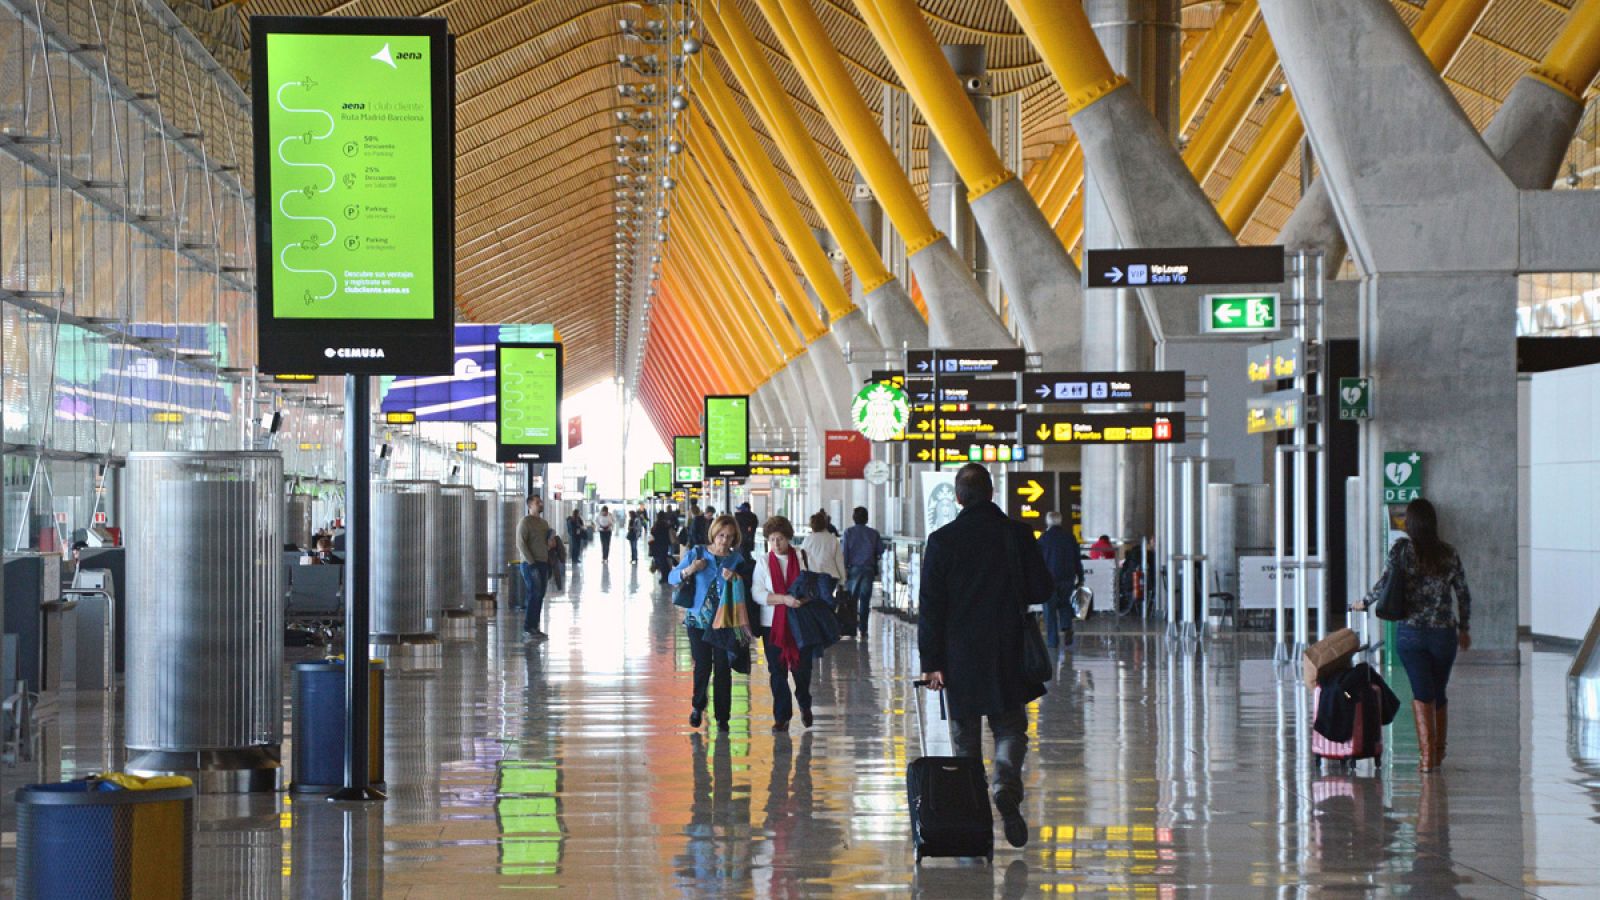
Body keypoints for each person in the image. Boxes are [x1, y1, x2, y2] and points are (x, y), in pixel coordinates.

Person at [919, 464, 1052, 849]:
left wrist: (932, 664)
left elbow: (931, 607)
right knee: (1010, 728)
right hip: (1008, 649)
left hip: (959, 656)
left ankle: (974, 814)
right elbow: (1041, 588)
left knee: (964, 741)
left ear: (958, 498)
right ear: (992, 493)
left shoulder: (942, 540)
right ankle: (1004, 785)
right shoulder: (1016, 534)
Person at [1358, 498, 1472, 773]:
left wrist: (1364, 601)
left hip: (1411, 634)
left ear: (1410, 524)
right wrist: (1464, 627)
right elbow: (1463, 593)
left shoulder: (1400, 551)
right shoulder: (1449, 553)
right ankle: (1437, 752)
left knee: (1422, 692)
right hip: (1443, 634)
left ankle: (1427, 757)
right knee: (1438, 691)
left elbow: (1385, 583)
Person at [670, 515, 746, 730]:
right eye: (721, 535)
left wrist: (736, 578)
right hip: (697, 620)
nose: (724, 541)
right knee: (702, 665)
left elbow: (746, 588)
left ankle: (723, 716)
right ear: (714, 533)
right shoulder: (698, 553)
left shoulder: (737, 560)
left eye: (730, 537)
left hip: (725, 621)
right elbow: (672, 577)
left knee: (723, 668)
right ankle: (698, 706)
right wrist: (691, 569)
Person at [752, 515, 815, 732]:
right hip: (772, 626)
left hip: (800, 623)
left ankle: (805, 703)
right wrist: (784, 599)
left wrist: (802, 599)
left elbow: (813, 586)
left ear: (788, 538)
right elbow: (758, 593)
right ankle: (782, 716)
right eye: (771, 539)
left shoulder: (802, 557)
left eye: (779, 538)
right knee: (777, 672)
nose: (776, 544)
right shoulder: (763, 562)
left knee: (802, 670)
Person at [1037, 512, 1084, 649]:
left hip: (1048, 579)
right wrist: (1080, 576)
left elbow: (1038, 561)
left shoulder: (1043, 539)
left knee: (1049, 609)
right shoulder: (1069, 538)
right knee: (1064, 604)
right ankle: (1066, 626)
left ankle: (1053, 641)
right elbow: (1077, 559)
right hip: (1067, 578)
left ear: (1048, 522)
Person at [841, 507, 884, 639]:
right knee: (865, 599)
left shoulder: (848, 532)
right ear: (867, 518)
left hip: (853, 569)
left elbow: (845, 553)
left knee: (852, 600)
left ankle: (852, 627)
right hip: (868, 569)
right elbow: (880, 550)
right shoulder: (873, 533)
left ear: (854, 518)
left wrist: (844, 570)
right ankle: (863, 628)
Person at [517, 496, 553, 642]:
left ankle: (535, 627)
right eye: (537, 502)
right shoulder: (525, 522)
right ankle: (528, 628)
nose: (541, 504)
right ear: (530, 506)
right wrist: (531, 563)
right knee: (534, 594)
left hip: (543, 562)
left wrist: (551, 544)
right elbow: (520, 544)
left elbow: (546, 543)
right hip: (530, 564)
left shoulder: (544, 524)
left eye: (541, 502)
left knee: (540, 595)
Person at [650, 511, 675, 584]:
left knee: (661, 561)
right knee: (663, 560)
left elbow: (653, 533)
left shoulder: (657, 524)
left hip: (657, 545)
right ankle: (666, 576)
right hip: (665, 545)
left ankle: (664, 577)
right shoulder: (666, 524)